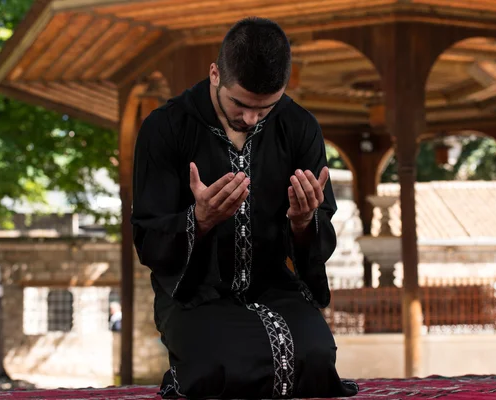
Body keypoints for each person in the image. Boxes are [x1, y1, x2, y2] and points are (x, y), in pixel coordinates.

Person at [131, 16, 358, 399]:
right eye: (241, 104)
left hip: (274, 287)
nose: (251, 118)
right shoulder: (165, 128)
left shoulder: (300, 126)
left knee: (316, 360)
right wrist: (198, 220)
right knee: (217, 368)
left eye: (265, 108)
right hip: (196, 293)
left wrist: (303, 223)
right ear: (215, 73)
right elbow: (148, 231)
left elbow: (318, 231)